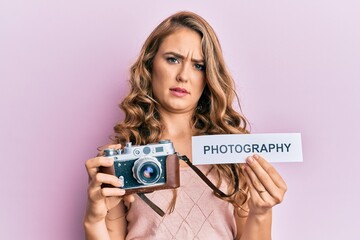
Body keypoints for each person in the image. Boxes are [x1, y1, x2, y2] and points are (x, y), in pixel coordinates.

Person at [84, 11, 287, 240]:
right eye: (173, 59)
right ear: (150, 65)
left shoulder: (232, 151)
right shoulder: (120, 159)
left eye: (198, 66)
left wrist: (261, 212)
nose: (183, 75)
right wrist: (93, 219)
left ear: (208, 76)